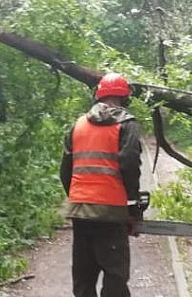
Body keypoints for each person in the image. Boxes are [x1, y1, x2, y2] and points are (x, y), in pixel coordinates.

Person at [60, 73, 143, 297]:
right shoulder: (127, 123)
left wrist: (79, 197)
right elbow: (129, 165)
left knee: (84, 275)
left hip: (80, 209)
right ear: (125, 98)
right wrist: (133, 207)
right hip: (111, 211)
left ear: (98, 95)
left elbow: (66, 169)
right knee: (115, 274)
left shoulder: (78, 125)